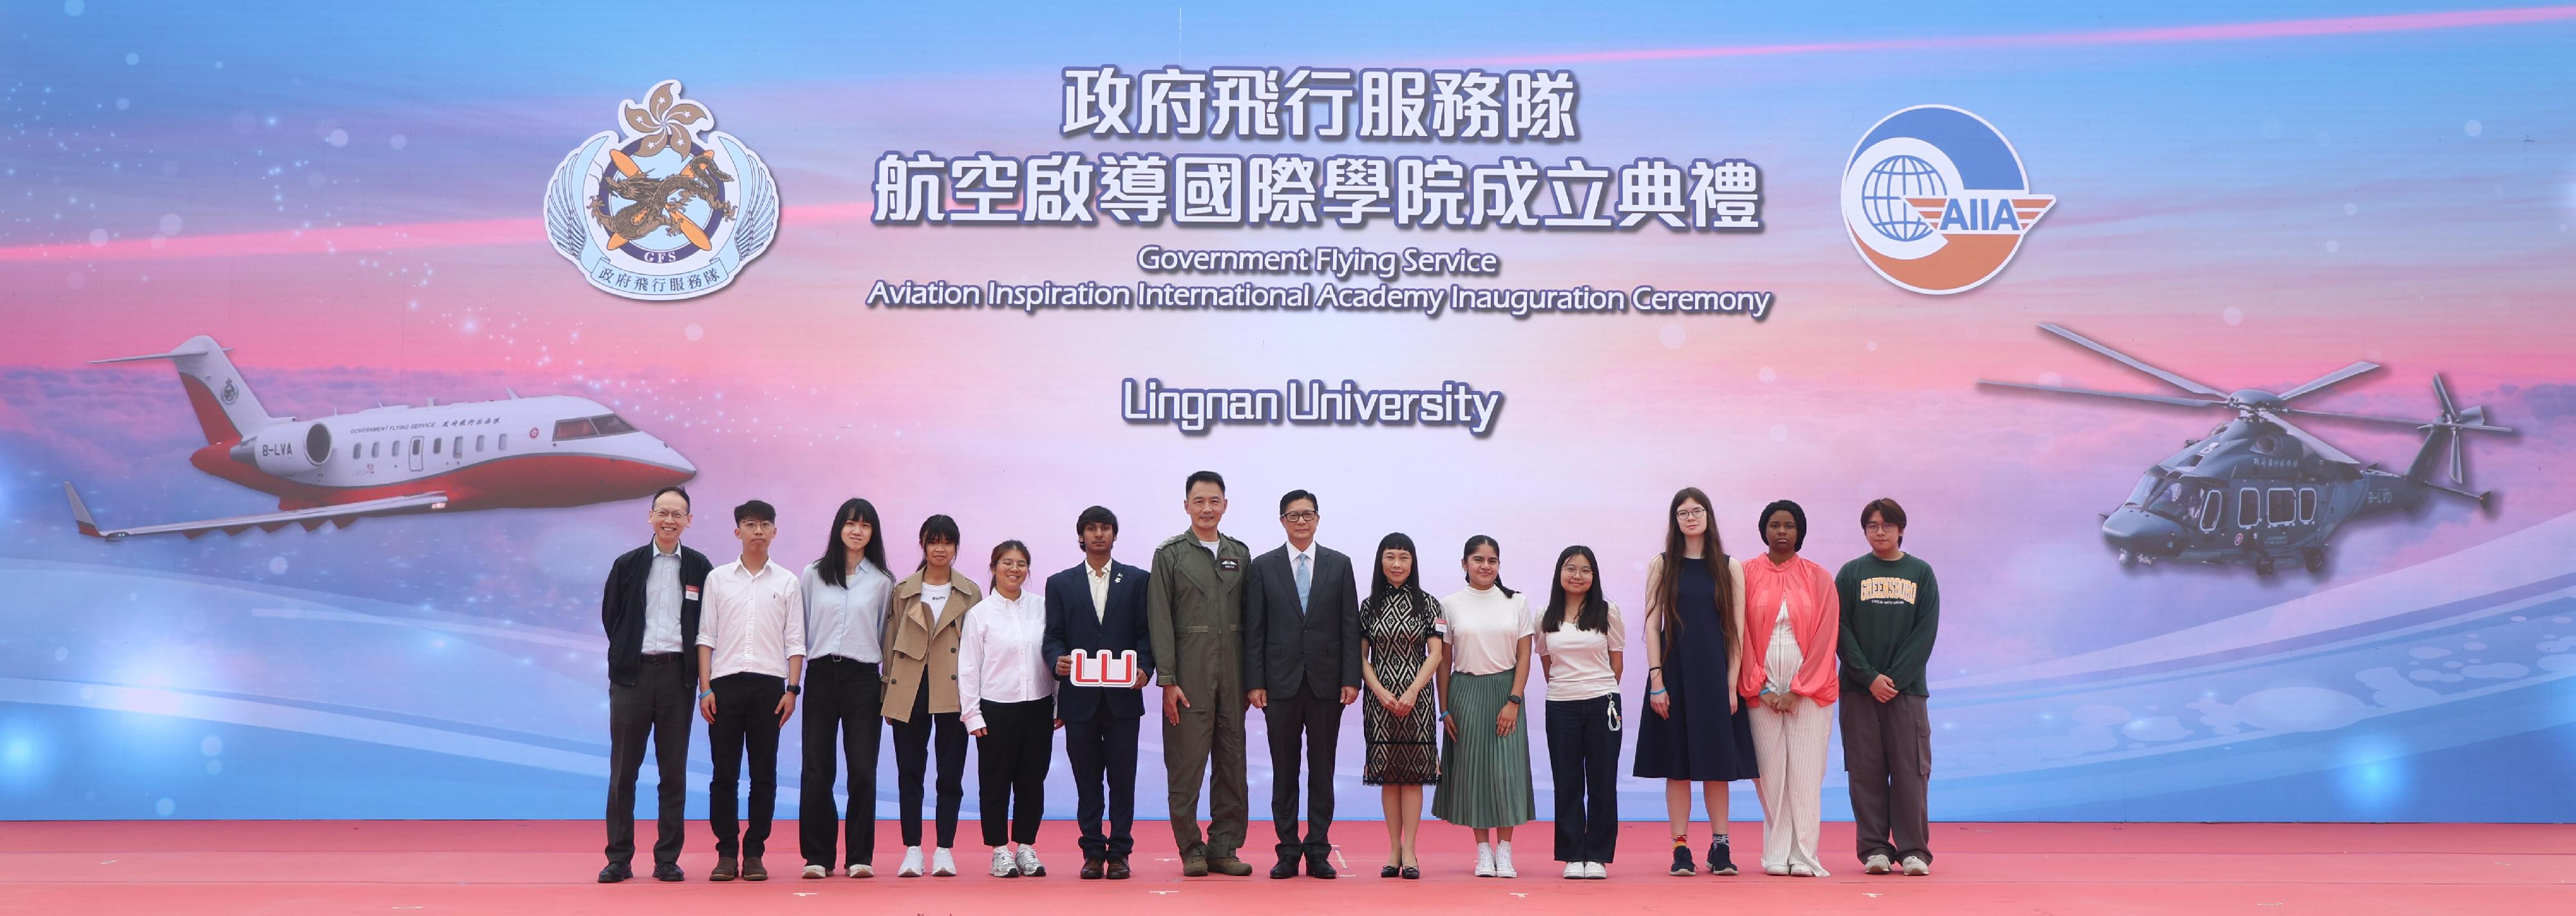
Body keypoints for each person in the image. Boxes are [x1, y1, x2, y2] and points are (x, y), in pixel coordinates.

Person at [1633, 487, 1757, 877]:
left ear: (1708, 516)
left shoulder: (1730, 567)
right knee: (1678, 765)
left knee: (1717, 765)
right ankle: (1680, 848)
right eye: (1683, 512)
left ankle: (1721, 847)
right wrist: (1657, 680)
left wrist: (1731, 685)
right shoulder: (1662, 564)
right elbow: (1652, 625)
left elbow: (1736, 630)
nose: (1691, 518)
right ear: (1675, 520)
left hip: (1715, 676)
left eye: (1697, 511)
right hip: (1673, 673)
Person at [1241, 489, 1361, 880]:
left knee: (1322, 770)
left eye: (1308, 514)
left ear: (1318, 519)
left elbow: (1349, 625)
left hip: (1328, 684)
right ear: (1282, 521)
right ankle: (1288, 851)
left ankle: (1319, 851)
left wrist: (1351, 678)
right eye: (1293, 516)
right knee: (1284, 771)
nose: (1301, 522)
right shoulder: (1264, 566)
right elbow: (1255, 629)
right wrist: (1255, 682)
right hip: (1279, 684)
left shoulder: (1339, 564)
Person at [599, 485, 712, 883]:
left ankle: (667, 859)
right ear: (650, 516)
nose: (669, 520)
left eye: (677, 514)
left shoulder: (699, 567)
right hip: (633, 677)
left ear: (689, 521)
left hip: (677, 678)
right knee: (623, 772)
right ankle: (619, 858)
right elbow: (612, 617)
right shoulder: (627, 564)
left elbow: (707, 624)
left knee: (673, 772)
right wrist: (628, 655)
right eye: (662, 512)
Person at [1146, 470, 1255, 877]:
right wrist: (1168, 680)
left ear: (1225, 505)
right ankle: (1191, 848)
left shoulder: (1239, 554)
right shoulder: (1170, 555)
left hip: (1234, 676)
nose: (1207, 509)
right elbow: (1160, 619)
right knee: (1186, 765)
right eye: (1199, 501)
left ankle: (1224, 847)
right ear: (1186, 506)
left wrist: (1252, 680)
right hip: (1188, 678)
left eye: (1214, 501)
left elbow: (1253, 620)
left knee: (1233, 764)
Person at [696, 499, 806, 883]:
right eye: (749, 524)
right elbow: (706, 637)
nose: (757, 531)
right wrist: (705, 690)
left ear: (775, 531)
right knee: (724, 774)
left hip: (769, 688)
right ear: (737, 531)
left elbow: (796, 641)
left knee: (764, 774)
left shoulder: (788, 582)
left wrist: (792, 690)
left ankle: (755, 851)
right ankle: (727, 852)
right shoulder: (718, 579)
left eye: (764, 524)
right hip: (724, 687)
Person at [1043, 506, 1154, 881]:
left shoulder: (1137, 580)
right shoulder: (1061, 583)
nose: (1099, 534)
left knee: (1123, 782)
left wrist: (1145, 667)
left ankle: (1120, 853)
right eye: (1091, 528)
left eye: (1105, 528)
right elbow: (1053, 636)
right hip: (1079, 701)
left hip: (1123, 700)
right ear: (1081, 536)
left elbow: (1146, 634)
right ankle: (1092, 852)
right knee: (1087, 782)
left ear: (1115, 535)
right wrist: (1057, 659)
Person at [1836, 498, 1940, 877]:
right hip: (1859, 692)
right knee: (1865, 772)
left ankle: (1914, 851)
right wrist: (1869, 678)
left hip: (1906, 692)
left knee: (1911, 771)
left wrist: (1893, 679)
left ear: (1901, 530)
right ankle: (1875, 850)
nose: (1880, 532)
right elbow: (1840, 630)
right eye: (1872, 526)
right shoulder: (1851, 574)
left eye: (1887, 525)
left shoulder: (1921, 573)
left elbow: (1925, 633)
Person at [1740, 500, 1841, 878]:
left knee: (1806, 772)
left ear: (1800, 532)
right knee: (1770, 774)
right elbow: (1737, 633)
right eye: (1775, 525)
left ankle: (1804, 854)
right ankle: (1776, 853)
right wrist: (1759, 686)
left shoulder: (1819, 577)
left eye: (1790, 525)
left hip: (1810, 689)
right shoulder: (1744, 574)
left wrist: (1800, 688)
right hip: (1760, 686)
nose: (1782, 531)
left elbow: (1827, 636)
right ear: (1764, 530)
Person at [881, 515, 983, 879]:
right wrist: (886, 695)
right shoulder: (903, 590)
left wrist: (976, 700)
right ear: (923, 545)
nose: (940, 549)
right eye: (933, 541)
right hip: (909, 688)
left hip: (954, 689)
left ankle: (944, 849)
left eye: (947, 542)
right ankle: (912, 849)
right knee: (909, 772)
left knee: (950, 773)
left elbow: (979, 648)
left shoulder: (970, 592)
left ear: (956, 547)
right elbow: (889, 643)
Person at [797, 498, 893, 879]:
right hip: (821, 675)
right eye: (851, 523)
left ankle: (859, 856)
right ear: (839, 527)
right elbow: (802, 626)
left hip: (863, 679)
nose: (857, 531)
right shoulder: (813, 573)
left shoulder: (883, 581)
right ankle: (817, 856)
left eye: (865, 525)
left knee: (863, 770)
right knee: (817, 769)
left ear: (873, 533)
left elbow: (883, 635)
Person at [1431, 535, 1536, 879]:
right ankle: (1483, 852)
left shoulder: (1517, 602)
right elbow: (1444, 661)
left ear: (1499, 565)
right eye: (1478, 560)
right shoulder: (1449, 604)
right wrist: (1445, 708)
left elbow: (1524, 655)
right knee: (1473, 772)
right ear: (1465, 564)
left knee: (1506, 773)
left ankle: (1505, 850)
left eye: (1492, 560)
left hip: (1506, 692)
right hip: (1465, 692)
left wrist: (1514, 700)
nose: (1485, 566)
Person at [959, 540, 1057, 879]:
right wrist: (972, 714)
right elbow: (969, 667)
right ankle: (999, 850)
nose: (1014, 569)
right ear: (994, 567)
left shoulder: (1042, 608)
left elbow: (1054, 655)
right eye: (1007, 563)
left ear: (1028, 570)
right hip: (996, 710)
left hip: (1039, 707)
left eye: (1021, 564)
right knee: (995, 783)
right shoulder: (980, 614)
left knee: (1032, 781)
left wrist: (1059, 704)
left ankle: (1026, 846)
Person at [1535, 546, 1624, 880]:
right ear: (1560, 573)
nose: (1578, 576)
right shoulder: (1545, 615)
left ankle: (1598, 855)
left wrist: (1597, 690)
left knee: (1603, 780)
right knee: (1567, 781)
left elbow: (1616, 662)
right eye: (1571, 569)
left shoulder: (1607, 611)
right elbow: (1547, 663)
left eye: (1586, 570)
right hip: (1561, 704)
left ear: (1594, 576)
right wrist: (1568, 688)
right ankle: (1573, 854)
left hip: (1603, 702)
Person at [1360, 533, 1443, 881]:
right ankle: (1393, 849)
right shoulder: (1368, 606)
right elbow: (1361, 658)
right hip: (1379, 702)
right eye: (1390, 557)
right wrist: (1380, 692)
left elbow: (1435, 654)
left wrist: (1412, 692)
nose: (1397, 564)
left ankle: (1410, 850)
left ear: (1413, 563)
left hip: (1417, 700)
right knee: (1389, 776)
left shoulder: (1430, 605)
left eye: (1404, 558)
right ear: (1381, 561)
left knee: (1412, 778)